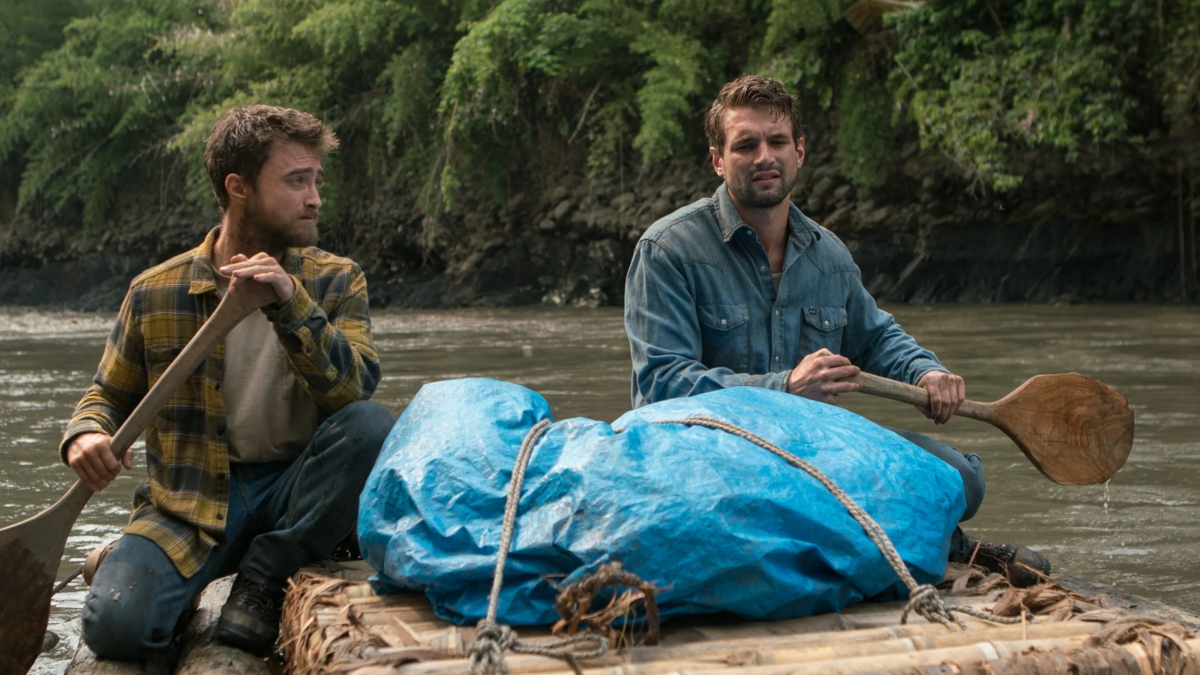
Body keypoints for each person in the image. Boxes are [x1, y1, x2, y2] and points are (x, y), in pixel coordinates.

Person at [624, 76, 1050, 586]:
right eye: (746, 145)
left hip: (807, 450)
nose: (765, 156)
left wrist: (927, 370)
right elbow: (661, 387)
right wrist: (783, 386)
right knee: (762, 499)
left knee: (961, 478)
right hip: (710, 457)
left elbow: (876, 339)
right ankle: (955, 546)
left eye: (777, 142)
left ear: (799, 152)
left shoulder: (828, 255)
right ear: (719, 159)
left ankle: (934, 539)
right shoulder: (668, 250)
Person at [61, 105, 395, 658]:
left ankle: (263, 575)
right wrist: (85, 436)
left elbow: (352, 392)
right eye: (296, 181)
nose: (315, 198)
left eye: (317, 180)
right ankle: (168, 588)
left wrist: (291, 304)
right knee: (116, 631)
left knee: (371, 426)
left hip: (297, 493)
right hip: (187, 505)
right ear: (238, 188)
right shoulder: (154, 291)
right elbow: (107, 396)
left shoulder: (337, 279)